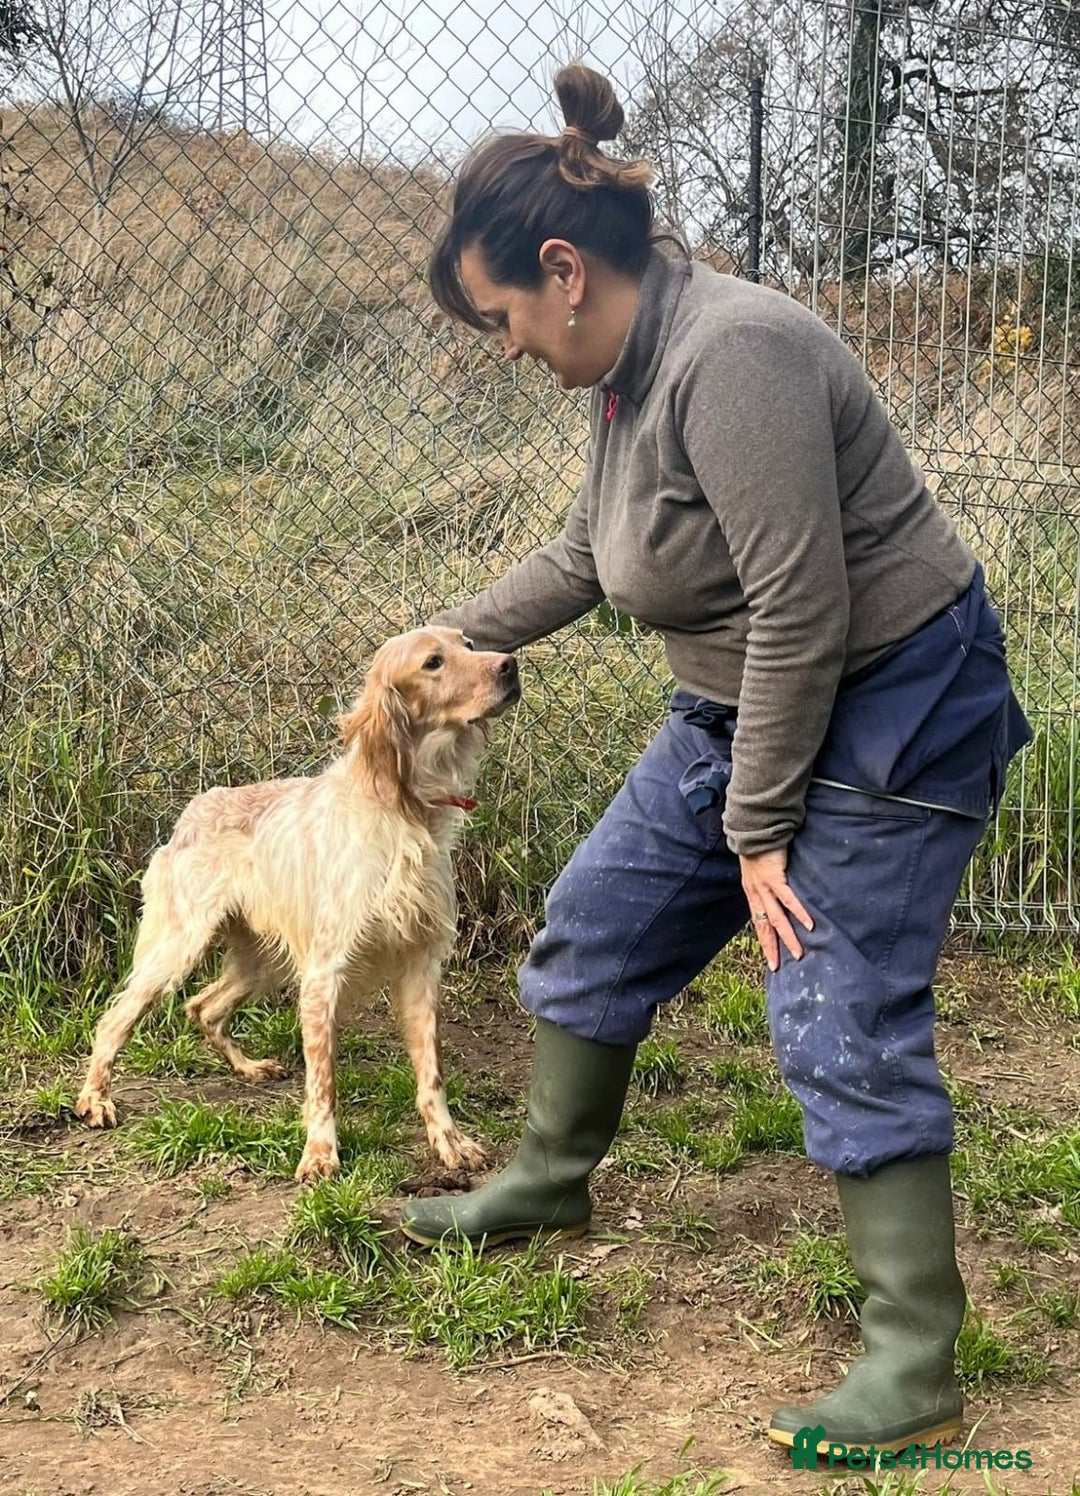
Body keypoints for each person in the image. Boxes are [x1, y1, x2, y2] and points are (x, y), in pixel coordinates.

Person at [399, 63, 1031, 1457]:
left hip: (896, 697)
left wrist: (759, 838)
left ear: (563, 272)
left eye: (500, 317)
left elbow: (805, 611)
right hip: (746, 701)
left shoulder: (729, 356)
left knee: (833, 992)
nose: (504, 346)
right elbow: (590, 554)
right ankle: (550, 1180)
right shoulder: (630, 370)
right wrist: (438, 636)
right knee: (596, 927)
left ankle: (916, 1361)